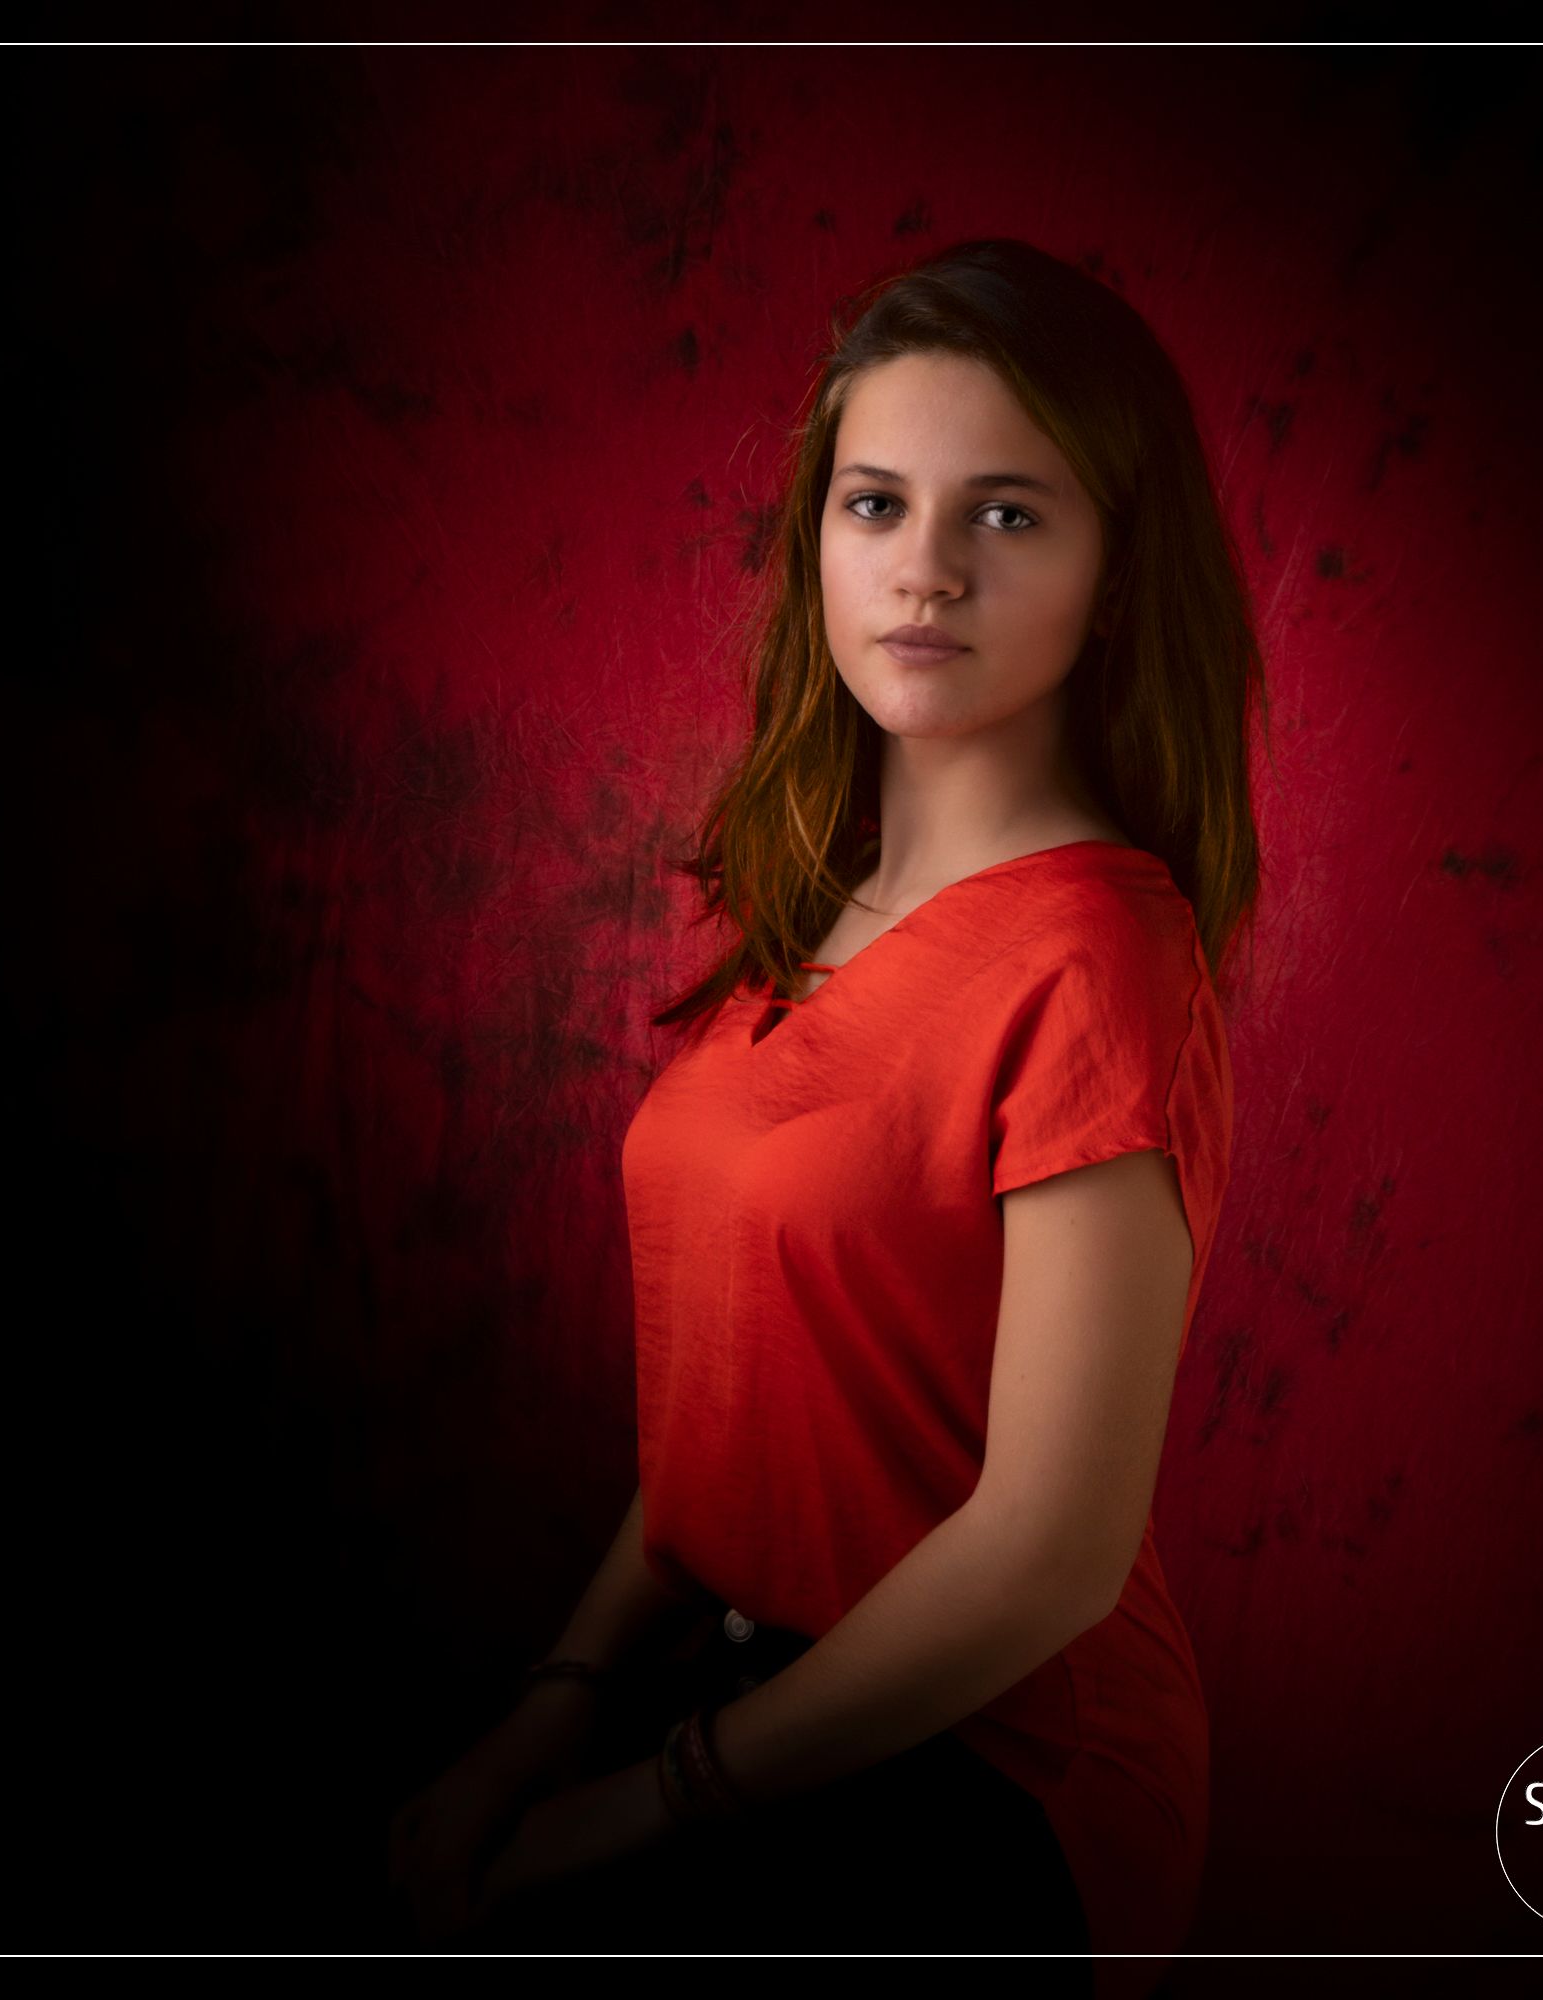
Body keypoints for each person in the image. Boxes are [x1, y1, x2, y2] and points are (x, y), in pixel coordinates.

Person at [386, 237, 1268, 1992]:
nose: (925, 570)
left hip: (996, 1772)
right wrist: (548, 1712)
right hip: (726, 1684)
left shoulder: (1097, 953)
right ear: (818, 542)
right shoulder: (811, 913)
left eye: (1007, 515)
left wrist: (647, 1801)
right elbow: (733, 1409)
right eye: (876, 504)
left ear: (1114, 567)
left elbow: (1044, 1556)